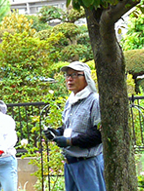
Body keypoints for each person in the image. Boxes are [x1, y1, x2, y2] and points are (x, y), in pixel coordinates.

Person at [45, 61, 105, 191]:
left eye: (75, 75)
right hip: (70, 163)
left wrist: (70, 141)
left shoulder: (95, 100)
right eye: (67, 75)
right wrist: (57, 132)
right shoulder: (70, 100)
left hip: (88, 163)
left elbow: (99, 134)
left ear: (86, 78)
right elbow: (68, 127)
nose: (69, 79)